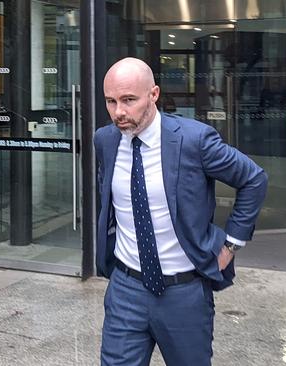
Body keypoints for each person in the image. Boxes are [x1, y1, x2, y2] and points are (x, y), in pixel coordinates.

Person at [95, 57, 268, 366]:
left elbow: (253, 179)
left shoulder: (194, 139)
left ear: (154, 94)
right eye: (111, 101)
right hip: (125, 289)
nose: (119, 112)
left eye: (129, 100)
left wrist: (230, 246)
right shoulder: (105, 140)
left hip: (184, 292)